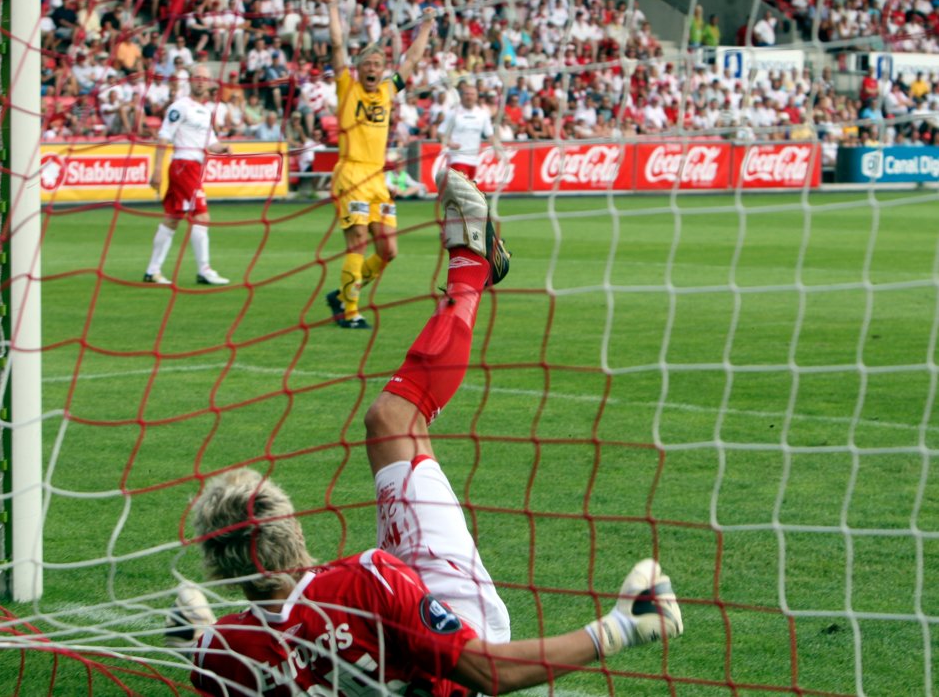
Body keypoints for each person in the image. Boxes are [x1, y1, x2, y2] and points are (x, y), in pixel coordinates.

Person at [167, 170, 682, 695]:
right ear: (292, 530)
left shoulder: (225, 655)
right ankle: (474, 266)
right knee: (393, 419)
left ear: (222, 572)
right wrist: (622, 626)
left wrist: (199, 631)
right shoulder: (366, 579)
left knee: (387, 427)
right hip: (464, 643)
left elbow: (216, 648)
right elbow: (490, 672)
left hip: (341, 640)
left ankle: (477, 266)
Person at [324, 0, 437, 330]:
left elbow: (412, 61)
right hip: (351, 174)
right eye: (367, 65)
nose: (372, 68)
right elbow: (338, 45)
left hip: (377, 177)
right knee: (357, 241)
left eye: (377, 64)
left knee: (389, 251)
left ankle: (342, 294)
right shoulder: (348, 85)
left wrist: (427, 26)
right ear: (357, 70)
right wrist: (332, 7)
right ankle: (349, 310)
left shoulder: (387, 90)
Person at [145, 63, 231, 286]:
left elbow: (211, 142)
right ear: (190, 80)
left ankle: (152, 271)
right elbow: (164, 137)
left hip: (194, 167)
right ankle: (204, 270)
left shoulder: (205, 111)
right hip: (183, 165)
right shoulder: (180, 107)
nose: (201, 80)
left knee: (172, 219)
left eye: (205, 77)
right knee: (201, 216)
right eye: (197, 77)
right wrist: (156, 170)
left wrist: (223, 148)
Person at [438, 83, 494, 181]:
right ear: (462, 96)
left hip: (474, 159)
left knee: (466, 192)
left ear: (476, 96)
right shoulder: (453, 113)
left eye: (472, 94)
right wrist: (449, 143)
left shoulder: (482, 114)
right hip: (457, 157)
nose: (469, 97)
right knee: (460, 187)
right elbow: (440, 133)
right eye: (467, 94)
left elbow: (490, 135)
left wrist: (498, 151)